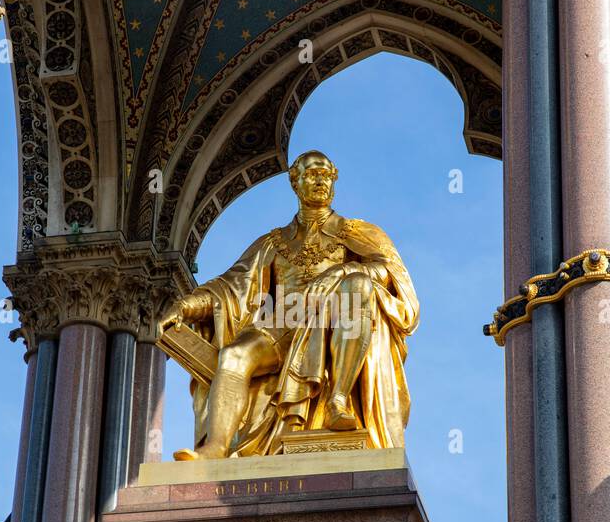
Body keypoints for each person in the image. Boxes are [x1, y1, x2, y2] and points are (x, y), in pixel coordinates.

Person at [158, 150, 419, 457]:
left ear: (334, 181)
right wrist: (185, 307)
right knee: (234, 355)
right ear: (296, 183)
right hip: (281, 323)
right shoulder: (274, 242)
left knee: (359, 286)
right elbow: (229, 286)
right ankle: (215, 447)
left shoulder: (359, 233)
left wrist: (345, 270)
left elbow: (390, 273)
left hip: (335, 320)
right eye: (311, 174)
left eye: (325, 174)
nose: (320, 180)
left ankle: (337, 399)